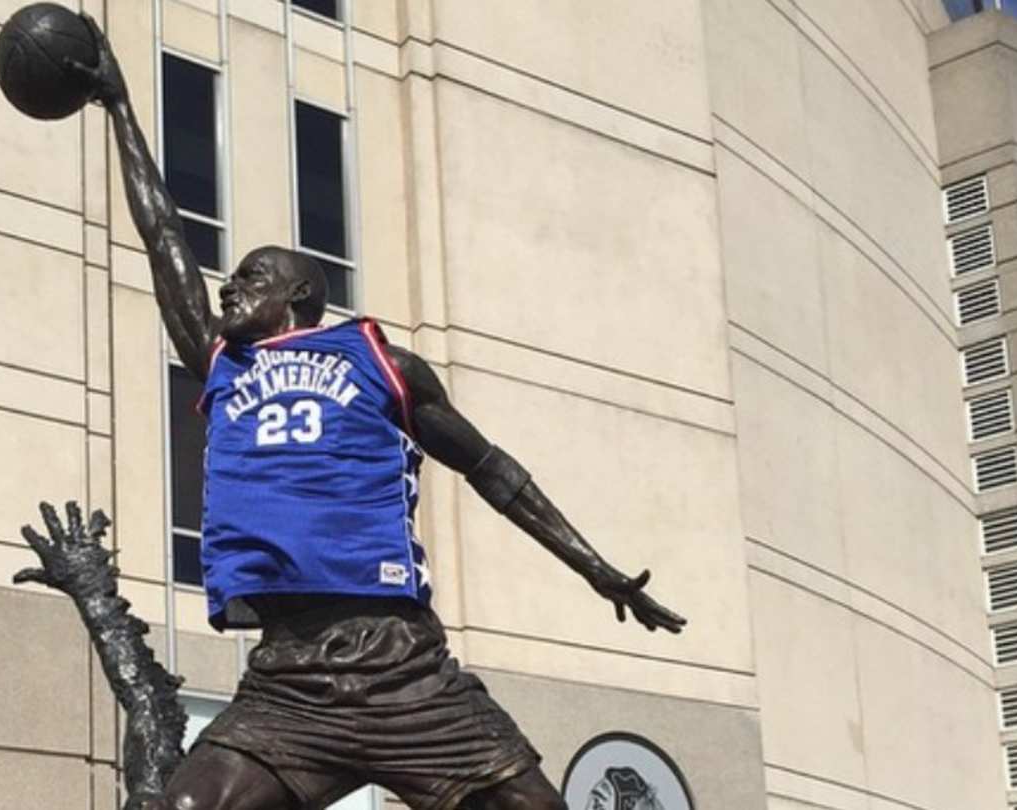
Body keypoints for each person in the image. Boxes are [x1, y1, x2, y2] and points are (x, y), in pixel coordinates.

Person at [70, 15, 686, 810]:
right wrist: (120, 107)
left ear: (300, 294)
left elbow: (494, 470)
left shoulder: (382, 363)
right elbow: (162, 235)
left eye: (252, 277)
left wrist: (596, 567)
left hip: (404, 675)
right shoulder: (224, 359)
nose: (230, 287)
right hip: (288, 687)